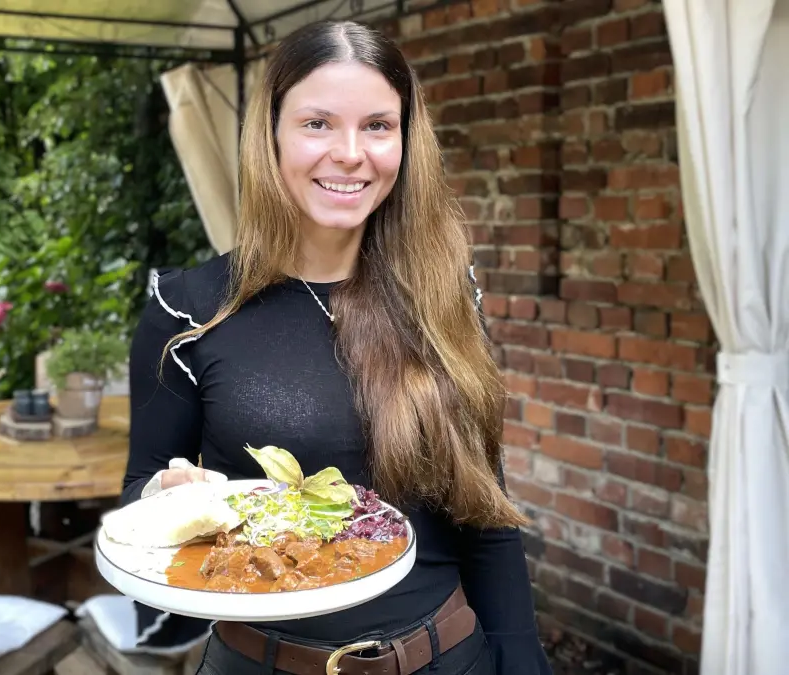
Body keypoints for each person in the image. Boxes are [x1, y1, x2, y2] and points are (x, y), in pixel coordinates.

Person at [120, 19, 552, 675]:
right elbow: (137, 497)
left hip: (447, 657)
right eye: (317, 123)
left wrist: (522, 661)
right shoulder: (189, 309)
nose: (350, 153)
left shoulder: (443, 296)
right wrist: (165, 495)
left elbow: (484, 512)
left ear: (405, 139)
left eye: (377, 125)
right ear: (270, 135)